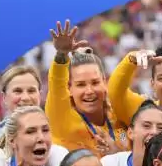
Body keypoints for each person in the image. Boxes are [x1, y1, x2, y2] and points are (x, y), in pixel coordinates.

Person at [46, 21, 126, 156]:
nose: (89, 91)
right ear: (69, 88)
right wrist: (62, 55)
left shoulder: (119, 117)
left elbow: (127, 141)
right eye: (81, 84)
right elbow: (57, 83)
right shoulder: (62, 117)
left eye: (95, 82)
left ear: (104, 82)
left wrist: (119, 153)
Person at [100, 101, 162, 166]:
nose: (154, 132)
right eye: (146, 126)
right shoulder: (109, 165)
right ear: (130, 133)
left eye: (161, 128)